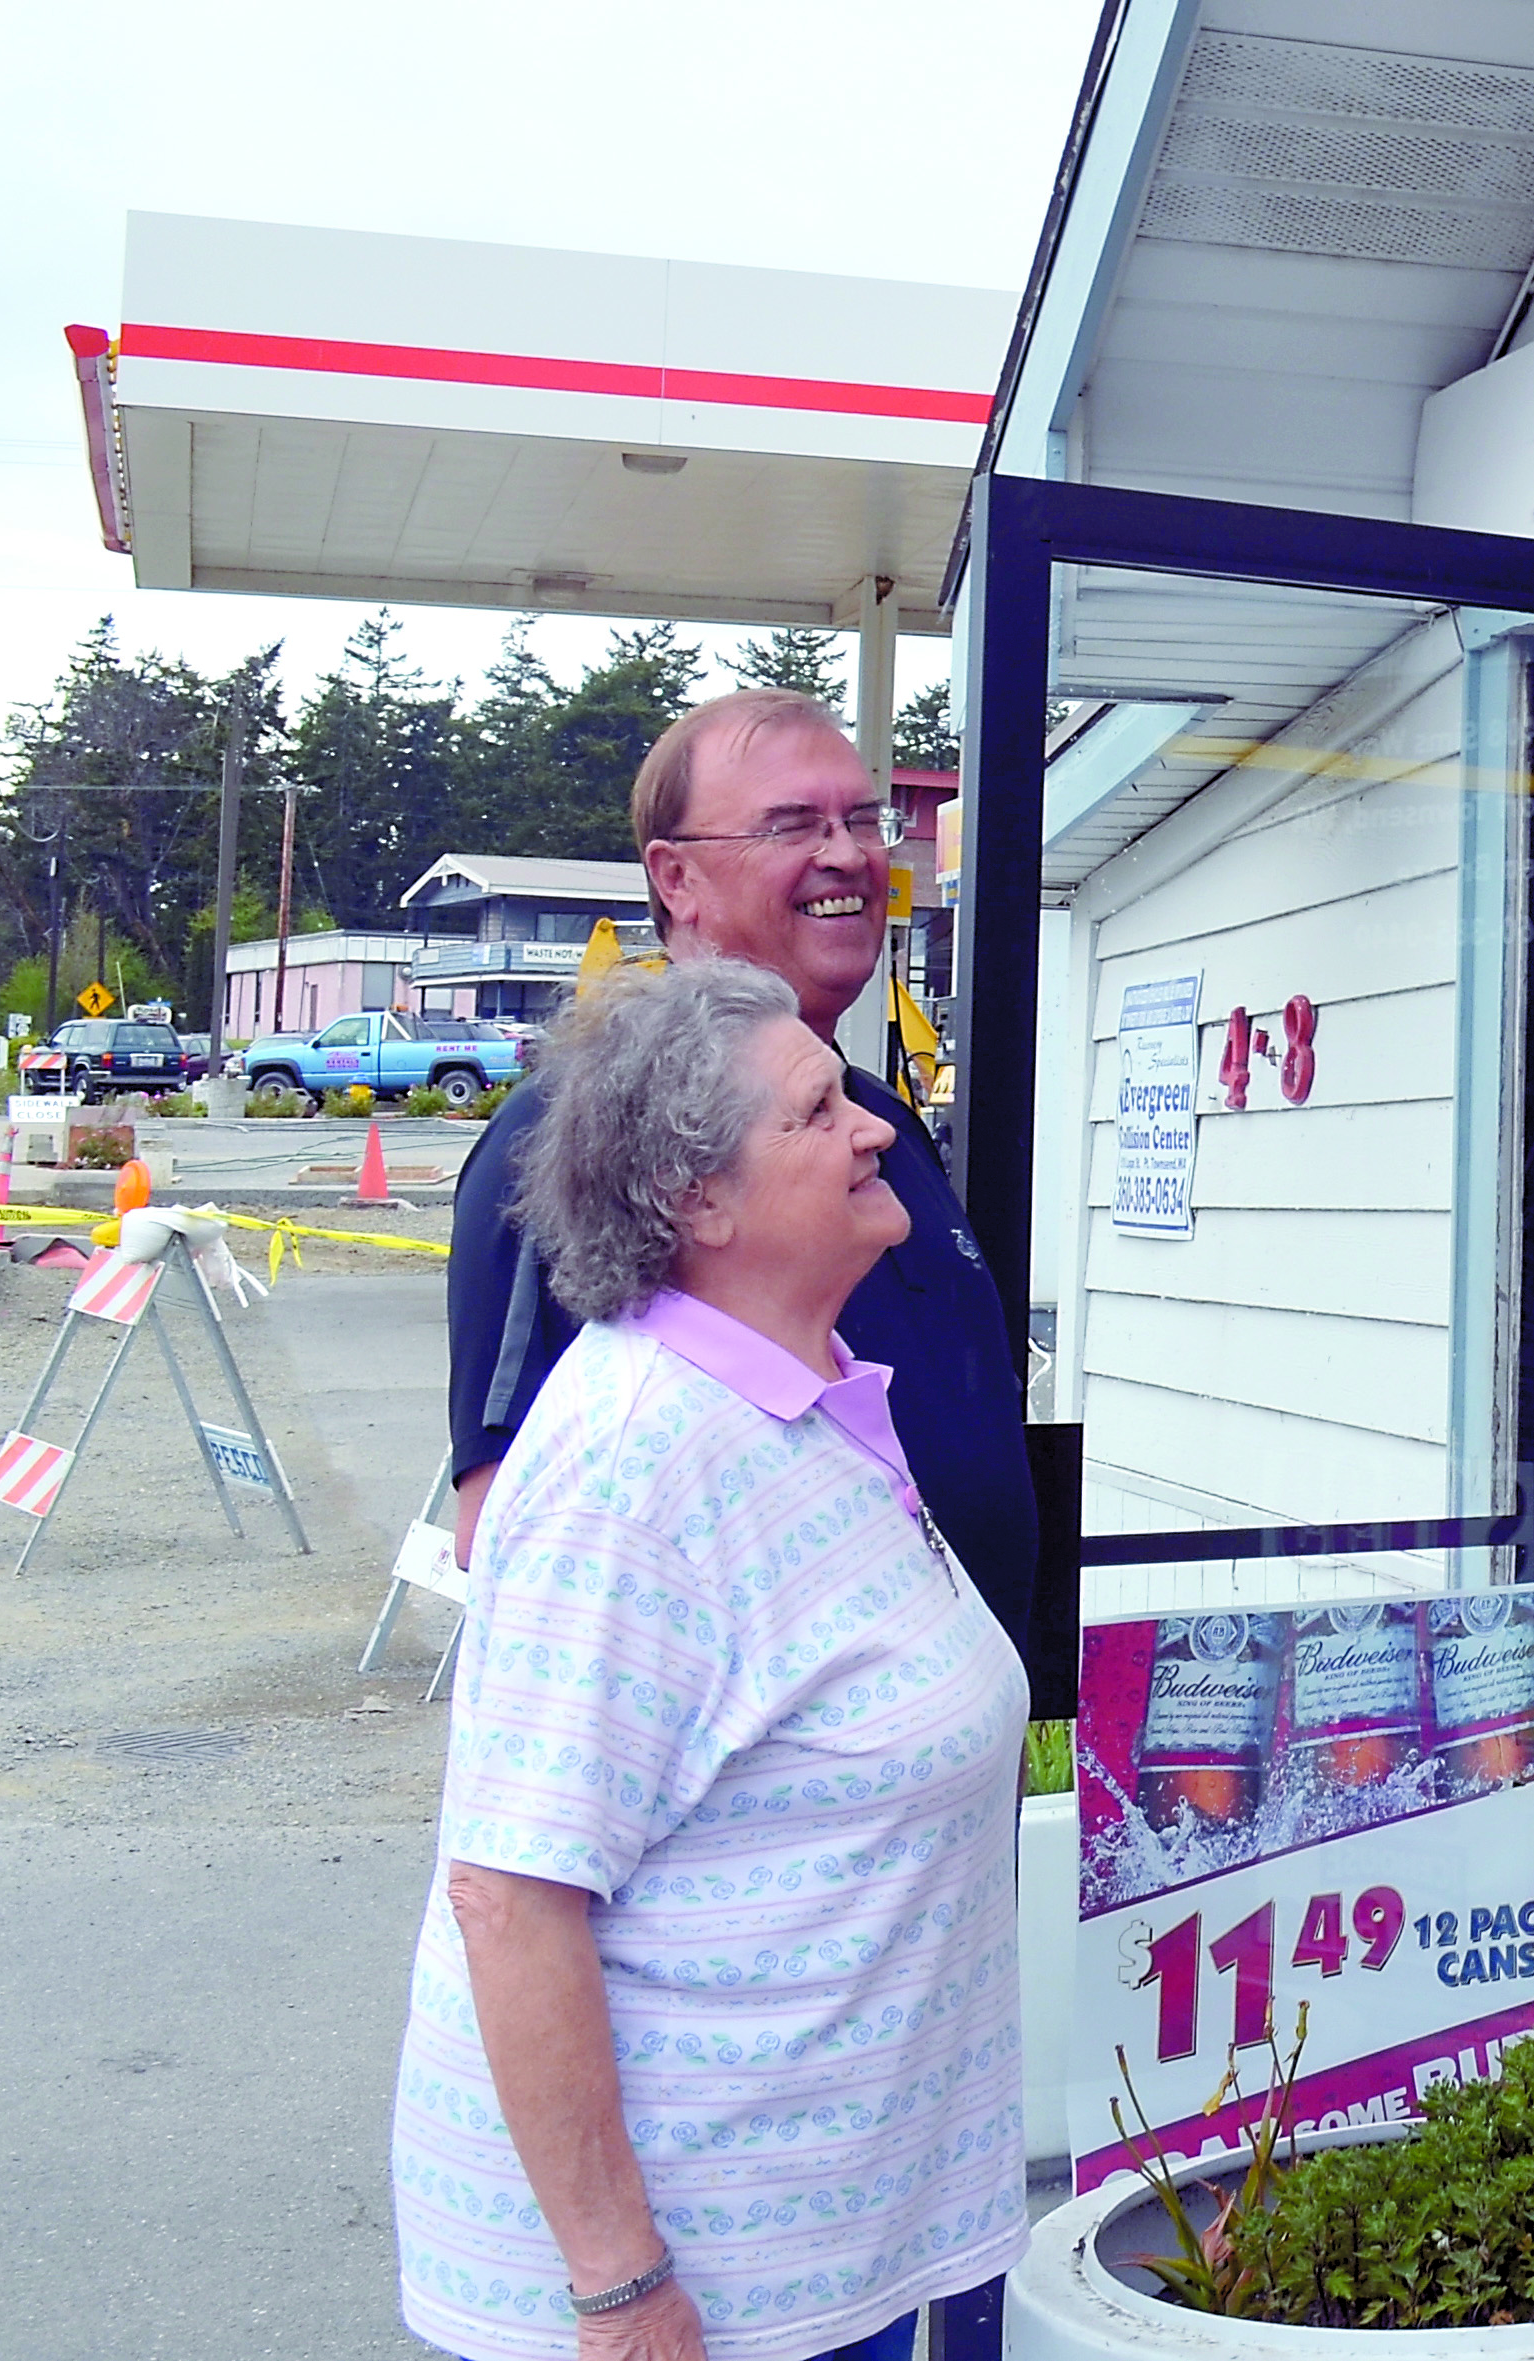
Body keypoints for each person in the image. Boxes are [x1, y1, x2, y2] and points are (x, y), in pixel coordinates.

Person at [394, 959, 1027, 2360]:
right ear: (701, 1200)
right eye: (817, 1111)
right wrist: (621, 2290)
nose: (871, 1125)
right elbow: (511, 1893)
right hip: (700, 2296)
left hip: (812, 2251)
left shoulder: (800, 1399)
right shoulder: (636, 1466)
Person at [446, 687, 1033, 1635]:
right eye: (792, 824)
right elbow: (509, 1531)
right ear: (675, 879)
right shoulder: (574, 1131)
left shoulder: (879, 1119)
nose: (847, 853)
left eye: (861, 819)